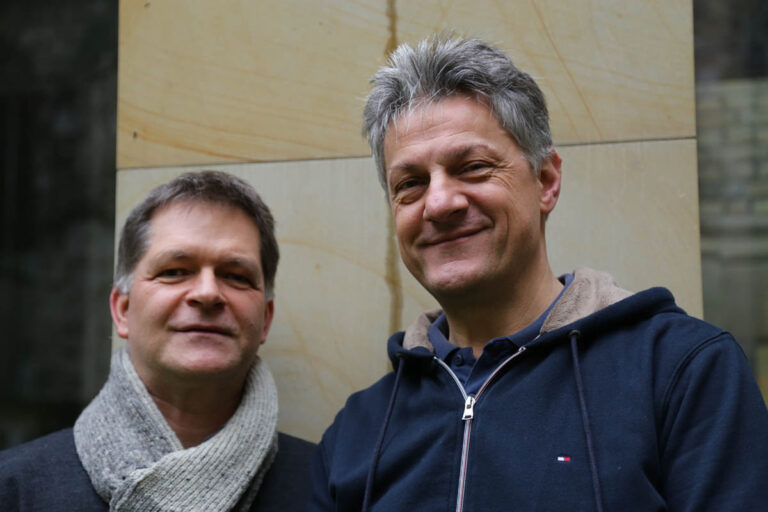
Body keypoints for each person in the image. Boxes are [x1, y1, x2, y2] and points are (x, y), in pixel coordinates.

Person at [307, 35, 768, 511]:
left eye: (473, 167)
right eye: (411, 184)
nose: (440, 203)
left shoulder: (682, 372)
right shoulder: (356, 431)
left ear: (546, 181)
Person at [0, 170, 314, 511]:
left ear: (265, 320)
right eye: (174, 271)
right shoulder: (14, 489)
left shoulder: (328, 489)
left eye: (235, 276)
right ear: (122, 310)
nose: (207, 293)